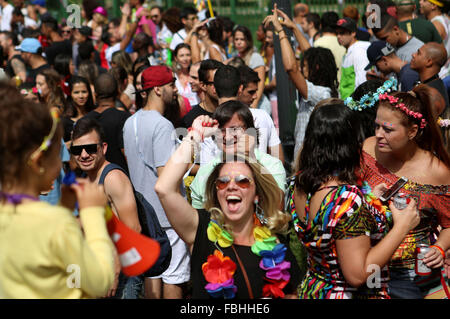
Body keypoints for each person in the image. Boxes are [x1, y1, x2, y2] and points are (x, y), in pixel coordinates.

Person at [154, 115, 301, 299]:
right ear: (216, 192)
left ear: (257, 194)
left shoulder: (277, 247)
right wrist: (195, 136)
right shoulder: (202, 230)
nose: (231, 186)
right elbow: (164, 188)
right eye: (223, 182)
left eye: (242, 181)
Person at [288, 101, 420, 299]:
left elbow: (328, 226)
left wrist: (368, 200)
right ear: (351, 144)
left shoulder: (299, 184)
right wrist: (402, 227)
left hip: (315, 290)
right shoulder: (346, 200)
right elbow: (357, 274)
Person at [0, 83, 115, 298]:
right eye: (59, 153)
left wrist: (64, 209)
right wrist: (92, 215)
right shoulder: (55, 224)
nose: (64, 160)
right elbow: (99, 281)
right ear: (39, 162)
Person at [360, 84, 450, 298]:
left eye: (388, 129)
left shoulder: (437, 172)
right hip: (368, 265)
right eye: (377, 126)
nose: (379, 135)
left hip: (413, 275)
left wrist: (439, 248)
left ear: (412, 131)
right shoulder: (368, 148)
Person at [123, 65, 190, 299]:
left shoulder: (129, 122)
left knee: (153, 276)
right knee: (174, 277)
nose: (176, 90)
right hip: (167, 217)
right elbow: (166, 175)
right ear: (158, 90)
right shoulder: (162, 125)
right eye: (172, 85)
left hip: (144, 215)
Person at [70, 117, 143, 299]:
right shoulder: (87, 178)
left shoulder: (113, 178)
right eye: (78, 150)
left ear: (103, 148)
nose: (84, 155)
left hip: (122, 277)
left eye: (91, 148)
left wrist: (115, 272)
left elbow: (133, 229)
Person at [265, 6, 338, 158]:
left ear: (315, 68)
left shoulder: (320, 93)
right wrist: (293, 27)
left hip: (311, 162)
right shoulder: (323, 88)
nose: (301, 68)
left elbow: (291, 69)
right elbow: (311, 54)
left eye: (304, 66)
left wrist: (281, 32)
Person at [189, 100, 286, 210]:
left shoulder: (271, 165)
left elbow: (277, 207)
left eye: (234, 129)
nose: (228, 137)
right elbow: (198, 221)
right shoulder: (205, 172)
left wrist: (251, 160)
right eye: (222, 130)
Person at [84, 73, 130, 173]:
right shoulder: (124, 118)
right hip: (120, 177)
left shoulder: (84, 121)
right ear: (118, 93)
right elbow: (128, 154)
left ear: (95, 95)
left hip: (93, 180)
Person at [335, 17, 371, 99]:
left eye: (342, 33)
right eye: (337, 33)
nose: (338, 36)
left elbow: (362, 81)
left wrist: (354, 104)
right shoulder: (349, 51)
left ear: (353, 33)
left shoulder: (358, 51)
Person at [410, 42, 450, 113]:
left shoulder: (430, 95)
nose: (413, 55)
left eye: (418, 53)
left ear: (429, 62)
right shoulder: (431, 84)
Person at [232, 25, 266, 109]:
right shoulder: (235, 57)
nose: (239, 42)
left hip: (257, 105)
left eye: (242, 39)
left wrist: (254, 105)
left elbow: (260, 84)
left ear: (248, 41)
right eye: (236, 39)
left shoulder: (255, 57)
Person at [313, 11, 346, 82]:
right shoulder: (344, 42)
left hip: (327, 86)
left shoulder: (317, 43)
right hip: (344, 85)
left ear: (321, 25)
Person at [61, 75, 95, 143]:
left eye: (84, 92)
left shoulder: (95, 114)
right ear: (70, 94)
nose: (81, 96)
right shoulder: (64, 120)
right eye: (76, 92)